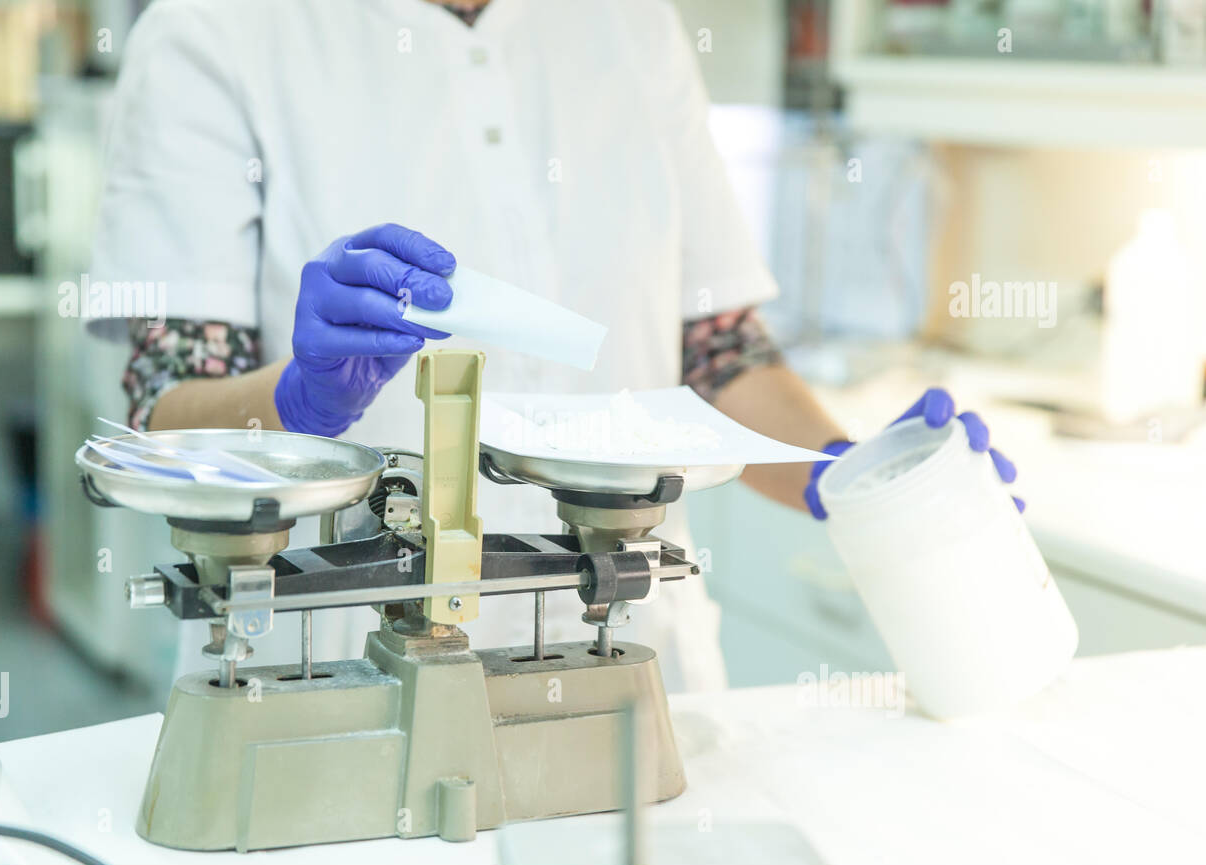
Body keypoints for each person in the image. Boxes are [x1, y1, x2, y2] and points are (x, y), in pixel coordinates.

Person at [87, 0, 1017, 691]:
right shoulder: (214, 32)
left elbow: (720, 352)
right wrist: (297, 404)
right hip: (324, 670)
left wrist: (849, 474)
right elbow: (167, 413)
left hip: (630, 653)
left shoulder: (632, 26)